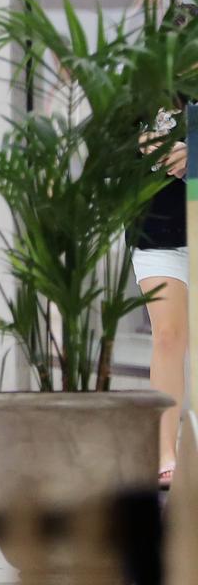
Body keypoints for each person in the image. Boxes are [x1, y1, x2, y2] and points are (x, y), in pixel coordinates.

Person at [137, 105, 188, 489]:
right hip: (158, 229)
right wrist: (142, 143)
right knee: (168, 336)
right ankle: (164, 451)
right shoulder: (144, 74)